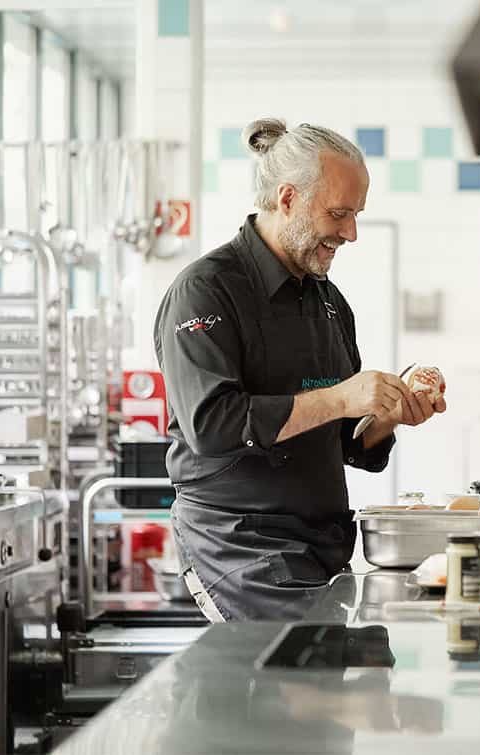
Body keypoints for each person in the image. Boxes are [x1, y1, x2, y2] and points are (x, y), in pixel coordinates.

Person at [154, 119, 446, 622]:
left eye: (355, 215)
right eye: (338, 214)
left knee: (360, 673)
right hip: (240, 546)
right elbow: (213, 425)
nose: (351, 233)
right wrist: (343, 397)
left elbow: (347, 443)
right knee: (306, 689)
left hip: (322, 546)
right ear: (287, 198)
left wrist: (389, 414)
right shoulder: (205, 291)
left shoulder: (329, 303)